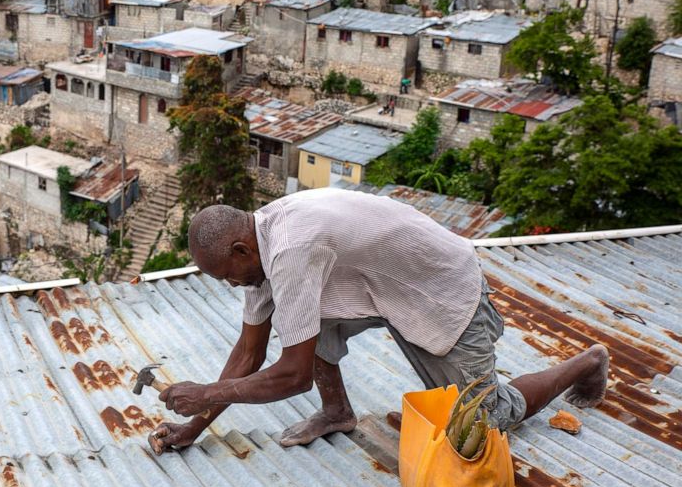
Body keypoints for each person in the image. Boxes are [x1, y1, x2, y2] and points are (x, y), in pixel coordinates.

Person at [150, 189, 609, 453]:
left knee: (489, 417)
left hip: (437, 286)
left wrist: (205, 393)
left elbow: (292, 377)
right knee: (303, 323)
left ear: (240, 251)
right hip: (380, 288)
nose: (231, 285)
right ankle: (338, 412)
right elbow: (249, 353)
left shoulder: (290, 250)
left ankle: (586, 361)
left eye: (227, 275)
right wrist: (192, 429)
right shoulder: (261, 246)